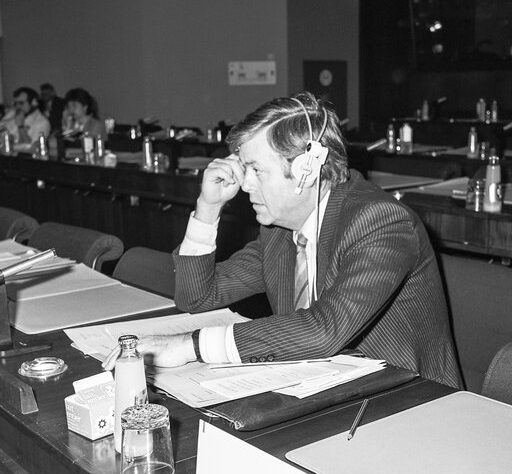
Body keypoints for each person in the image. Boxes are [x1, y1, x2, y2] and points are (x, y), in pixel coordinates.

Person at [103, 92, 461, 388]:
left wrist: (189, 345)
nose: (244, 185)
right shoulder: (279, 231)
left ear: (308, 169)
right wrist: (208, 208)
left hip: (407, 400)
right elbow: (197, 296)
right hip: (320, 390)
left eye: (256, 170)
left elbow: (324, 331)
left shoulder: (380, 222)